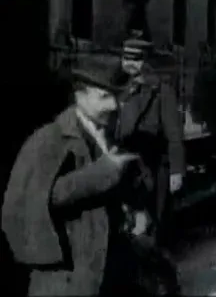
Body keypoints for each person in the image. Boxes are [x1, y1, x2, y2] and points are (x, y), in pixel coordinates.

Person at [1, 54, 145, 296]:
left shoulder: (107, 132)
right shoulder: (49, 140)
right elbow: (40, 196)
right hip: (66, 279)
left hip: (106, 273)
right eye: (104, 97)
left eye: (117, 97)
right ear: (80, 96)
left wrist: (136, 206)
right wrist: (104, 171)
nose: (114, 105)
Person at [116, 37, 185, 246]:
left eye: (135, 59)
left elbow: (174, 134)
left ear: (145, 61)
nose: (130, 63)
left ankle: (155, 270)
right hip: (123, 163)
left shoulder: (161, 91)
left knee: (154, 221)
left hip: (153, 166)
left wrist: (176, 170)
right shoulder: (116, 88)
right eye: (126, 57)